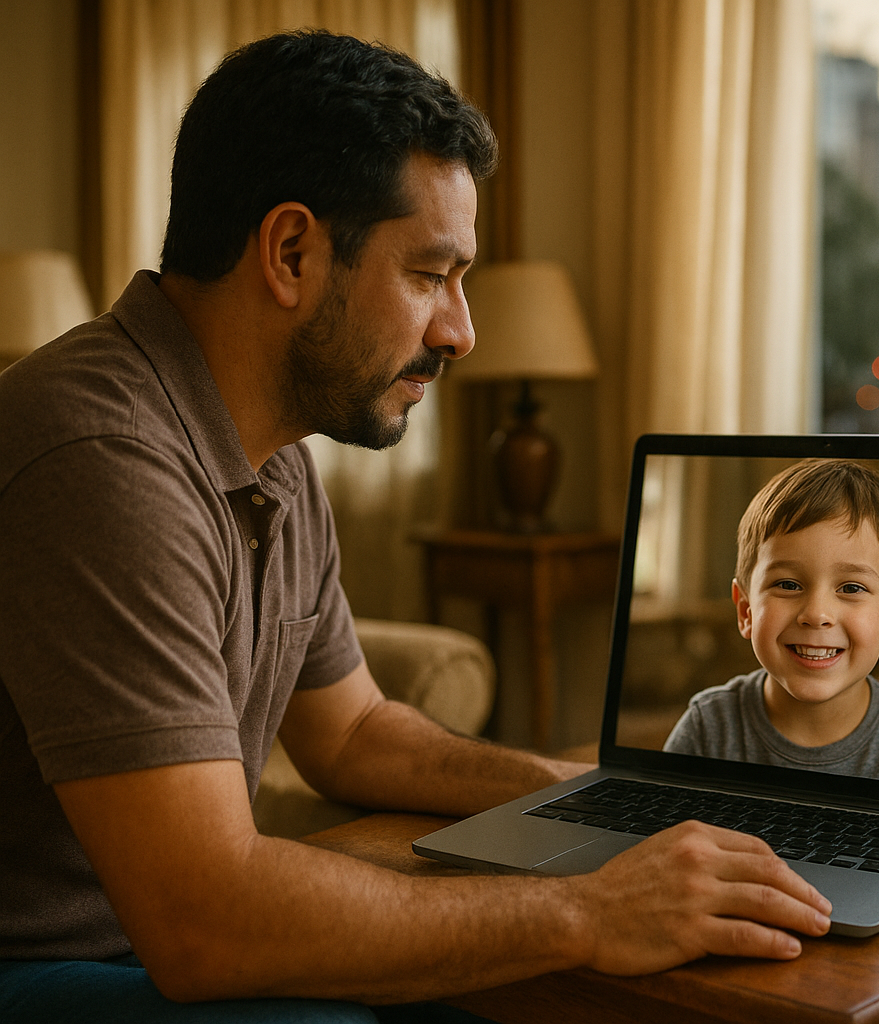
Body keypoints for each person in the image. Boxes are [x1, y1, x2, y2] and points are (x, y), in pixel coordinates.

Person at [0, 30, 830, 1023]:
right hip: (43, 965)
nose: (461, 331)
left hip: (141, 949)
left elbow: (350, 730)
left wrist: (587, 795)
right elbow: (204, 915)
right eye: (432, 272)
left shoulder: (274, 458)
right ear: (292, 251)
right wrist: (587, 910)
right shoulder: (104, 454)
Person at [663, 459, 879, 788]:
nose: (816, 614)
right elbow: (666, 835)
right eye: (788, 585)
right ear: (746, 610)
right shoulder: (707, 728)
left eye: (851, 588)